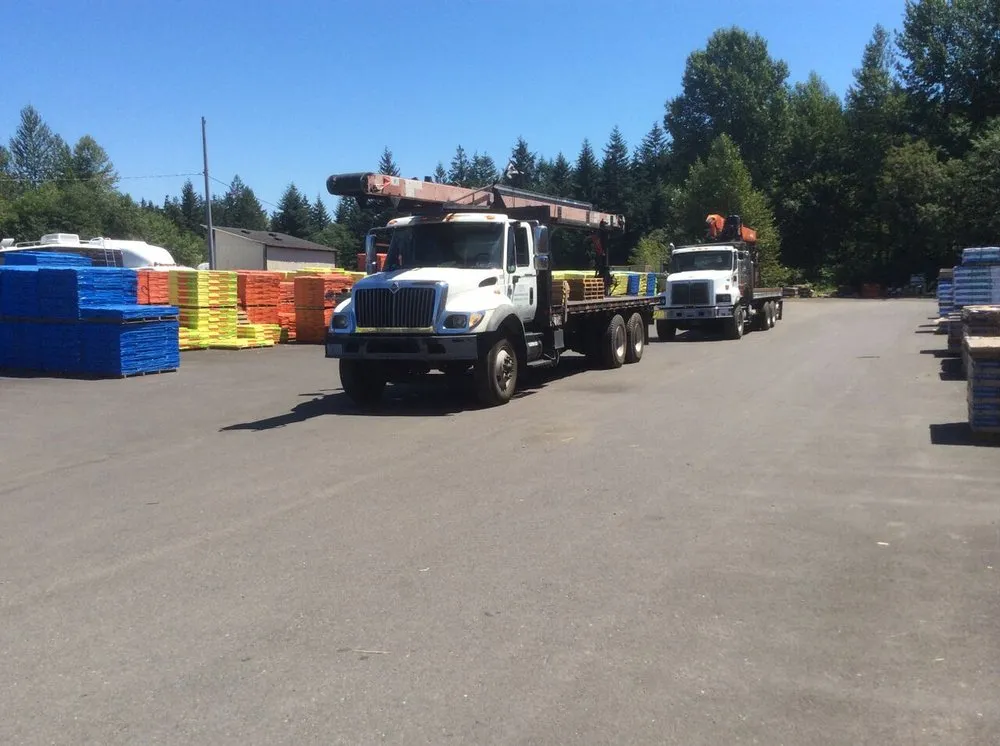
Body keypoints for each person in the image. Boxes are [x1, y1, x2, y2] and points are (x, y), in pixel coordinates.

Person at [591, 220, 613, 296]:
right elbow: (598, 245)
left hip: (599, 250)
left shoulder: (598, 234)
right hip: (600, 250)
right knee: (600, 253)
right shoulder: (599, 234)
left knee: (600, 254)